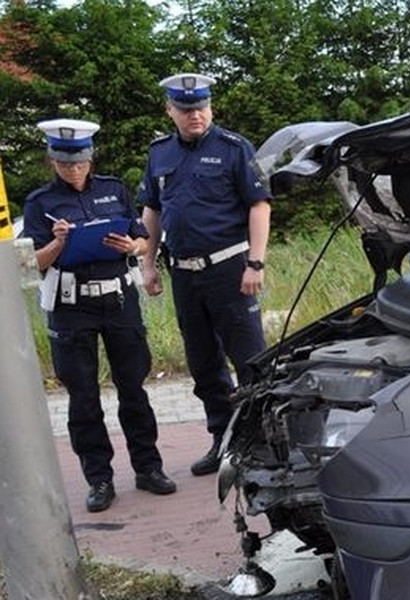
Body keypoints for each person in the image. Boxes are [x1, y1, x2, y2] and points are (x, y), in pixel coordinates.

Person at [22, 118, 176, 512]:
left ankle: (148, 467)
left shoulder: (113, 189)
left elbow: (142, 240)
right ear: (52, 160)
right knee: (84, 397)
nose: (74, 170)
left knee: (134, 389)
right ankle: (99, 479)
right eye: (64, 163)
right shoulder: (40, 203)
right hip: (71, 307)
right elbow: (34, 263)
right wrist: (58, 242)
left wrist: (133, 246)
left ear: (91, 158)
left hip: (118, 301)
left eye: (80, 162)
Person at [138, 73, 272, 476]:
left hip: (231, 269)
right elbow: (152, 211)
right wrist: (148, 264)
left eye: (201, 107)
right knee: (204, 363)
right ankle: (222, 437)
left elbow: (259, 205)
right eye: (185, 108)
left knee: (249, 361)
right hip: (184, 274)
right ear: (170, 111)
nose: (194, 115)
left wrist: (255, 262)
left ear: (210, 107)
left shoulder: (234, 148)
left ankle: (262, 441)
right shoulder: (160, 153)